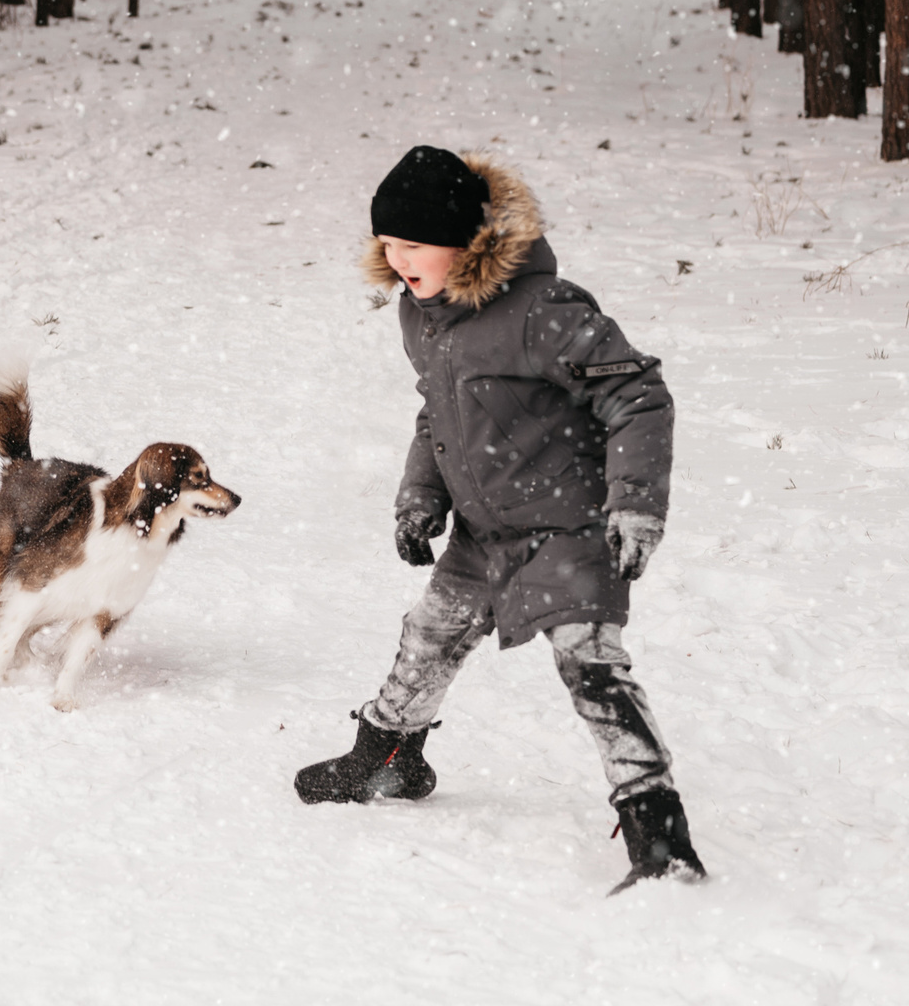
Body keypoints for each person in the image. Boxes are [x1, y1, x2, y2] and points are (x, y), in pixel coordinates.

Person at [294, 146, 706, 892]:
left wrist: (635, 504)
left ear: (466, 241)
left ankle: (658, 833)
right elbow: (438, 412)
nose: (397, 260)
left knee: (592, 669)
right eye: (387, 244)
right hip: (485, 530)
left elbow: (638, 396)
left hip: (567, 525)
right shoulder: (420, 314)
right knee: (430, 636)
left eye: (413, 245)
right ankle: (387, 755)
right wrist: (421, 497)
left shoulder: (543, 312)